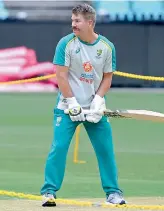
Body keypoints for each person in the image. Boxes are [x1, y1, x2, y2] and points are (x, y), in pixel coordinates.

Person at [40, 3, 126, 207]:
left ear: (90, 22)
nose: (73, 25)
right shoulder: (66, 44)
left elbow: (107, 78)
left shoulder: (106, 47)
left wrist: (98, 100)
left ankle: (113, 193)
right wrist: (71, 102)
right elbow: (61, 76)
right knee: (59, 148)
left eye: (77, 21)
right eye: (72, 20)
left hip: (94, 109)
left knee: (105, 149)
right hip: (67, 107)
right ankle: (49, 192)